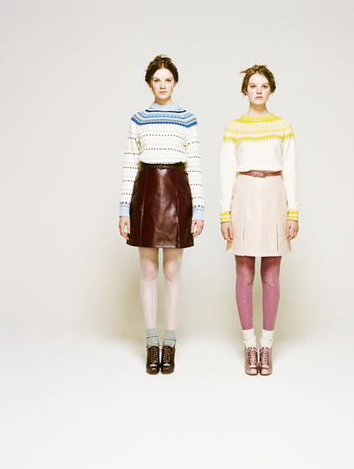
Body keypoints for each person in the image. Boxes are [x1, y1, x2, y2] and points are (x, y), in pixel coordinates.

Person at [119, 55, 204, 375]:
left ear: (175, 83)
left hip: (177, 191)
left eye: (168, 80)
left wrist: (199, 209)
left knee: (172, 271)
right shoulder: (138, 119)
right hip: (145, 191)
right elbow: (130, 163)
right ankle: (151, 342)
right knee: (148, 270)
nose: (163, 85)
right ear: (149, 84)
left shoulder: (188, 119)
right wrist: (124, 209)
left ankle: (169, 342)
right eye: (157, 80)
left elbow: (195, 164)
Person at [220, 64, 298, 376]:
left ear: (271, 90)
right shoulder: (234, 128)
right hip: (244, 195)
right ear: (245, 90)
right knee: (243, 275)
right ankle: (249, 344)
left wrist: (293, 211)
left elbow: (290, 171)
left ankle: (267, 345)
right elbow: (226, 173)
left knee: (271, 275)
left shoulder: (283, 126)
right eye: (253, 85)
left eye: (264, 85)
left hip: (275, 195)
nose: (258, 90)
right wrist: (225, 213)